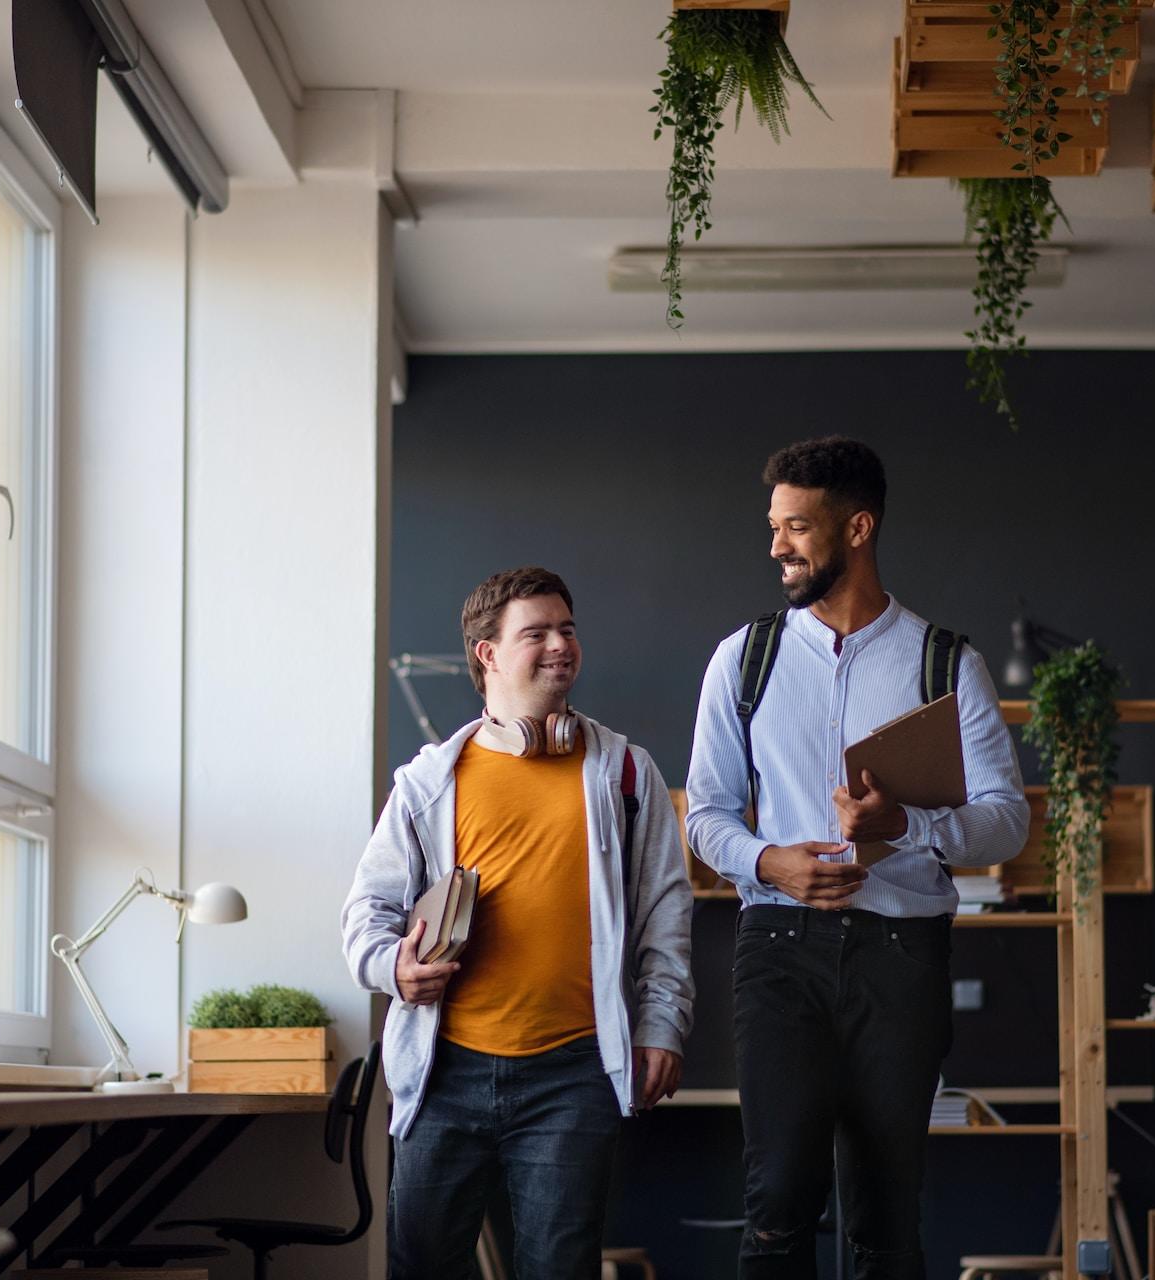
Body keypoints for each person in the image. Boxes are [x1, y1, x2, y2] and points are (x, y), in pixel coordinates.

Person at [686, 437, 1029, 1279]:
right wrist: (772, 864)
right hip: (776, 952)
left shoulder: (946, 664)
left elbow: (1008, 823)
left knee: (886, 1214)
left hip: (901, 956)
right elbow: (705, 815)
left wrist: (907, 824)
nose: (776, 548)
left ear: (859, 528)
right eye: (774, 527)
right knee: (777, 1210)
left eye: (796, 528)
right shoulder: (745, 658)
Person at [342, 565, 695, 1278]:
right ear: (488, 653)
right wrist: (395, 970)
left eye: (567, 629)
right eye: (536, 633)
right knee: (421, 1267)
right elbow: (366, 914)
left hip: (573, 1073)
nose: (561, 644)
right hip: (445, 1072)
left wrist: (663, 1025)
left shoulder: (627, 774)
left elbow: (666, 918)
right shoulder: (428, 782)